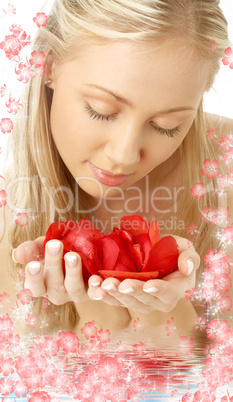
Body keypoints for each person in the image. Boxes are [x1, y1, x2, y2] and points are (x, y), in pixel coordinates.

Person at [0, 0, 232, 336]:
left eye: (167, 126)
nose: (125, 155)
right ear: (48, 65)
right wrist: (95, 316)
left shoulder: (225, 172)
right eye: (101, 111)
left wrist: (168, 320)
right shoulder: (10, 217)